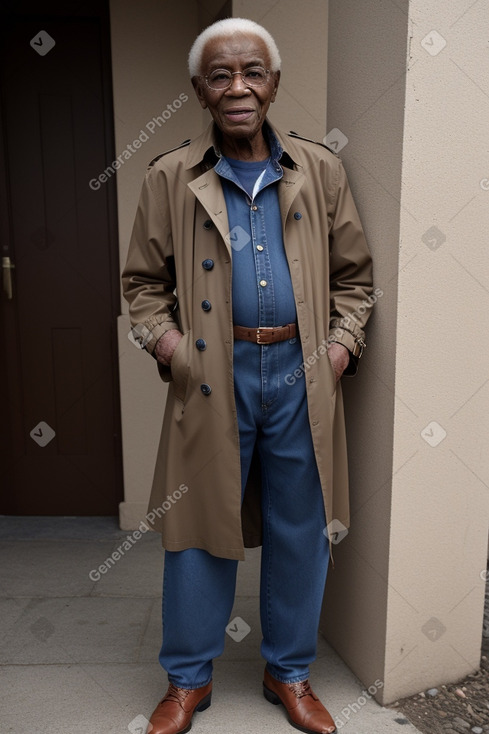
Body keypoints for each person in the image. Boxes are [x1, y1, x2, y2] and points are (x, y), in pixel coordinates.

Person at [122, 17, 373, 734]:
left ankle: (288, 673)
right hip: (209, 374)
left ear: (273, 83)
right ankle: (187, 680)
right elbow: (141, 284)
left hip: (301, 373)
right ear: (199, 90)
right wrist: (172, 348)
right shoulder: (170, 174)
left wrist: (338, 351)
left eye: (252, 72)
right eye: (221, 75)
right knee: (198, 527)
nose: (238, 88)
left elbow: (355, 279)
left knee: (302, 526)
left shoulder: (319, 169)